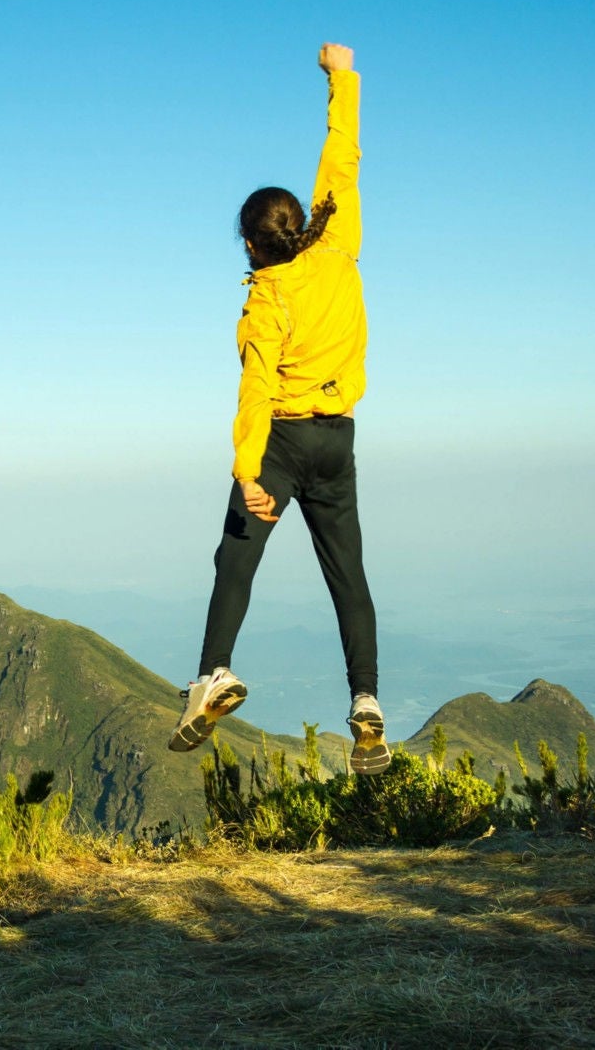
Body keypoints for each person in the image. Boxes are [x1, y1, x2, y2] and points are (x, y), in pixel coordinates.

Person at [168, 42, 389, 776]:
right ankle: (366, 702)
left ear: (254, 246)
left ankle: (214, 675)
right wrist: (342, 77)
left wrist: (247, 468)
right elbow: (343, 155)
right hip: (339, 440)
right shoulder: (339, 248)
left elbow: (255, 388)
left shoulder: (267, 298)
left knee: (236, 556)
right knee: (348, 576)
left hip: (283, 443)